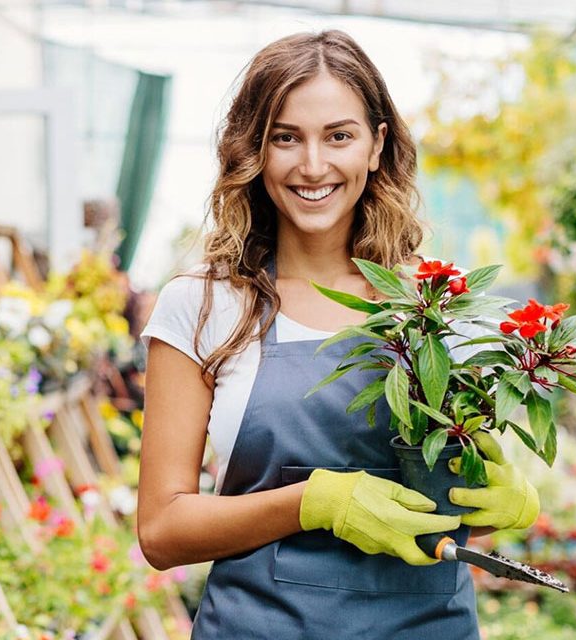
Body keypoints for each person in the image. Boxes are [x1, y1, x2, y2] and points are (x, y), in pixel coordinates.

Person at [136, 31, 538, 638]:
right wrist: (312, 503)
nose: (314, 165)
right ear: (254, 150)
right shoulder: (204, 305)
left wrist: (507, 500)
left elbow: (444, 499)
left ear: (377, 145)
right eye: (285, 137)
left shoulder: (437, 309)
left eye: (339, 136)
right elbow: (162, 532)